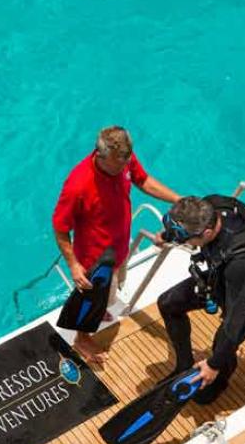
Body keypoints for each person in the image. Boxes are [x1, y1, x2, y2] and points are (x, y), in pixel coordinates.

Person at [52, 126, 179, 365]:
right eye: (119, 165)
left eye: (126, 163)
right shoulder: (78, 185)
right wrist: (74, 266)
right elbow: (60, 227)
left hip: (120, 248)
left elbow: (143, 180)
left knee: (112, 294)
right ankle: (82, 338)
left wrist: (178, 200)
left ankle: (104, 309)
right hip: (95, 261)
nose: (125, 169)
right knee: (93, 302)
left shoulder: (124, 158)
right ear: (100, 156)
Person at [156, 195, 245, 403]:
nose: (185, 243)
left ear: (207, 232)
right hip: (221, 278)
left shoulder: (241, 262)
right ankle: (183, 365)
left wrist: (213, 365)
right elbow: (187, 229)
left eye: (186, 239)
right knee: (169, 303)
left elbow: (235, 321)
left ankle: (218, 381)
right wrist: (170, 235)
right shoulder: (213, 205)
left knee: (222, 344)